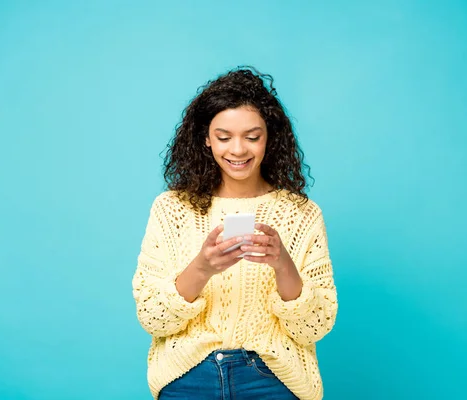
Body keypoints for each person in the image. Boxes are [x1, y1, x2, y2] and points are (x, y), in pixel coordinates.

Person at [132, 66, 338, 400]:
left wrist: (283, 263)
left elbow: (314, 326)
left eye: (252, 136)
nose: (238, 150)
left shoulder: (301, 214)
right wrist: (203, 267)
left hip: (273, 377)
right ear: (206, 138)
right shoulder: (172, 209)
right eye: (224, 137)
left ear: (270, 137)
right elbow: (154, 318)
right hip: (188, 376)